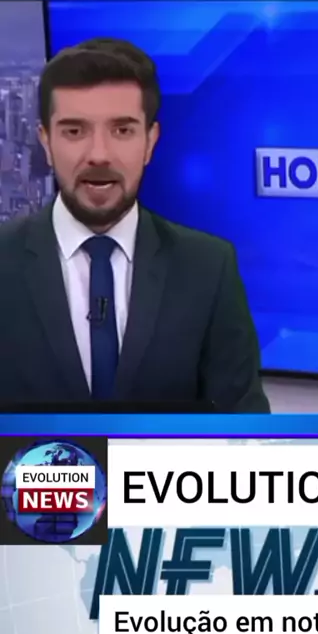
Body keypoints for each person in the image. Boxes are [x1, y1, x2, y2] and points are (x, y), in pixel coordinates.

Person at [0, 39, 270, 412]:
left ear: (150, 141)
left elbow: (245, 430)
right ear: (45, 142)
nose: (99, 155)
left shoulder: (209, 268)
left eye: (122, 130)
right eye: (74, 131)